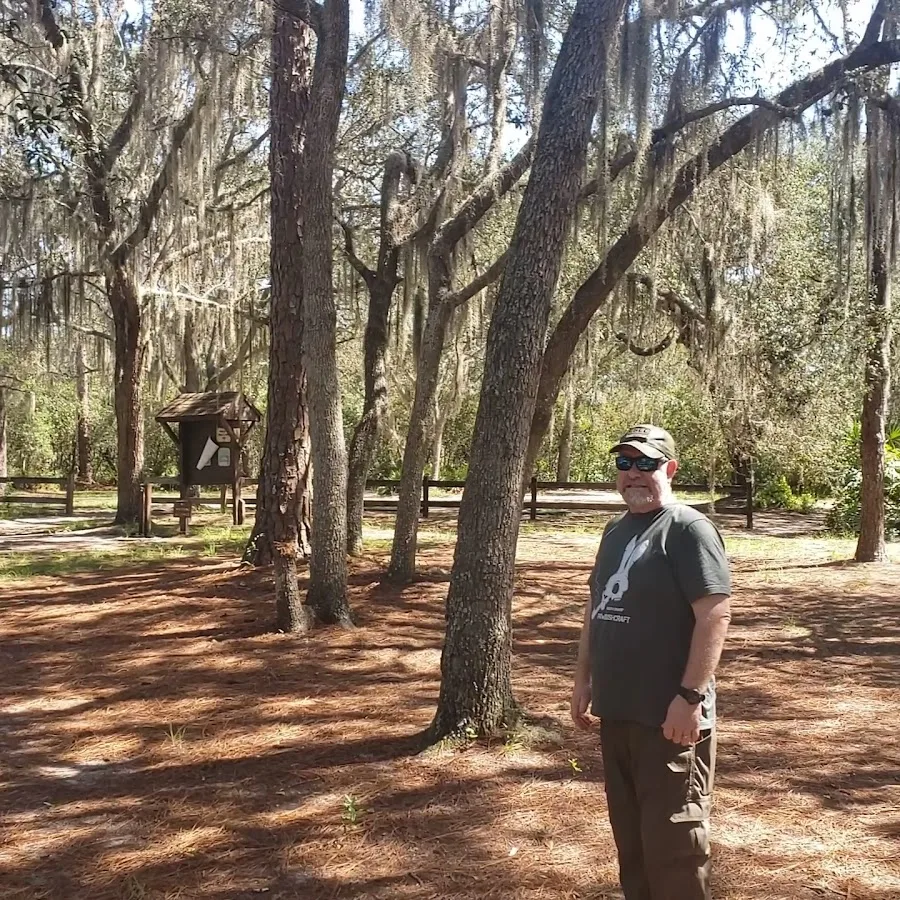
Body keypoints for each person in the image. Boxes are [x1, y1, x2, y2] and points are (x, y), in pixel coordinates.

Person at [570, 424, 732, 900]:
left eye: (646, 463)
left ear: (670, 469)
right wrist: (583, 678)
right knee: (634, 847)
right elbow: (595, 605)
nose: (634, 474)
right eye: (625, 464)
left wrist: (689, 698)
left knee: (675, 850)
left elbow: (715, 613)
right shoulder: (615, 529)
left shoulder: (688, 529)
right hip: (617, 714)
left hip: (670, 723)